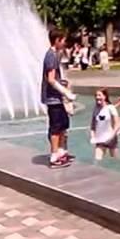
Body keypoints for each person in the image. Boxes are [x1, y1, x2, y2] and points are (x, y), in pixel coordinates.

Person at [42, 28, 76, 168]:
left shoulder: (55, 54)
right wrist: (66, 92)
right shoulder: (51, 56)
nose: (64, 43)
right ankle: (54, 156)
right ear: (57, 40)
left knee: (63, 124)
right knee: (56, 127)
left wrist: (63, 86)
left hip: (57, 98)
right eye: (63, 40)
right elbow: (50, 79)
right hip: (53, 99)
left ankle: (61, 151)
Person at [90, 88, 120, 160]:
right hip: (100, 139)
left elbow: (118, 124)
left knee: (116, 161)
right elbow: (93, 125)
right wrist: (92, 136)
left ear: (105, 96)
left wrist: (112, 136)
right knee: (97, 160)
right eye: (96, 95)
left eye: (99, 95)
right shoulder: (96, 109)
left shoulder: (111, 108)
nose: (97, 97)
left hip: (111, 138)